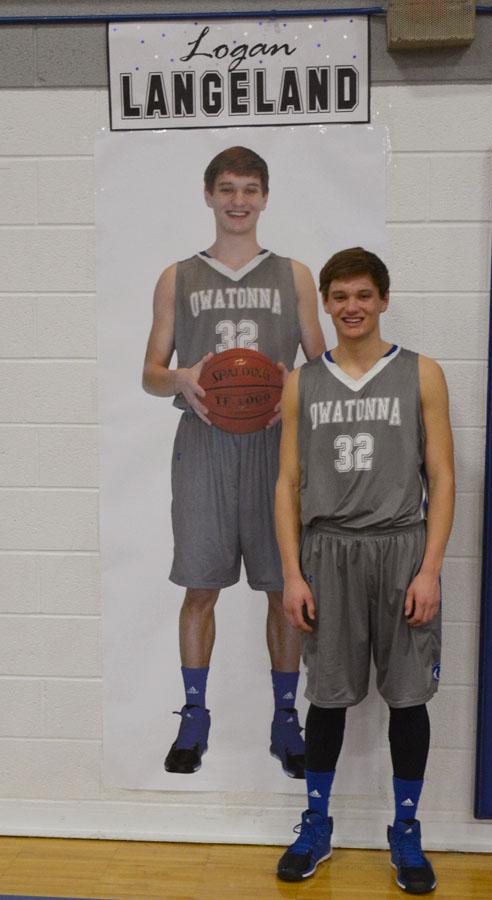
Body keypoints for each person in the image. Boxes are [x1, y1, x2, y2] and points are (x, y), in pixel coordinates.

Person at [274, 248, 454, 893]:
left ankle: (406, 829)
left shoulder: (421, 373)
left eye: (363, 295)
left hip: (401, 547)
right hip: (329, 551)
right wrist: (293, 574)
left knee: (407, 697)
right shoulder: (302, 381)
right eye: (340, 296)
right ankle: (316, 822)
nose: (352, 307)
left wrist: (430, 569)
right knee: (327, 696)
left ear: (382, 300)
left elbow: (443, 476)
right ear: (324, 302)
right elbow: (289, 480)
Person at [142, 146, 325, 777]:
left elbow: (320, 367)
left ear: (266, 197)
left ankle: (285, 721)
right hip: (204, 446)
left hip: (276, 449)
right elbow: (149, 374)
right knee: (201, 587)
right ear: (208, 195)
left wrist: (292, 388)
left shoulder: (295, 275)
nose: (238, 200)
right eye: (227, 189)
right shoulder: (178, 277)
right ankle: (194, 716)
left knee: (283, 591)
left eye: (250, 189)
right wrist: (183, 378)